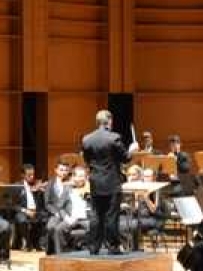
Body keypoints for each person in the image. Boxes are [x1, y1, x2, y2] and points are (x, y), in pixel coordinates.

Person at [81, 109, 138, 255]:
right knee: (111, 215)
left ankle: (94, 247)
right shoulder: (114, 138)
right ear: (109, 121)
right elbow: (125, 158)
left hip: (95, 182)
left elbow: (87, 160)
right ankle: (112, 247)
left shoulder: (87, 139)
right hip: (111, 183)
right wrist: (132, 149)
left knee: (96, 215)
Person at [46, 166, 92, 254]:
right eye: (78, 176)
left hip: (86, 218)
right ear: (73, 177)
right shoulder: (67, 189)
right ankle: (61, 255)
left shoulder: (91, 189)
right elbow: (60, 207)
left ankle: (92, 254)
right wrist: (67, 218)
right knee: (58, 230)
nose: (81, 178)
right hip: (71, 217)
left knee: (95, 228)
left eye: (83, 176)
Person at [11, 163, 47, 251]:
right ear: (22, 175)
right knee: (21, 219)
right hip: (23, 211)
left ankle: (38, 243)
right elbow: (13, 205)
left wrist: (42, 191)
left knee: (45, 217)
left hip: (35, 210)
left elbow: (42, 203)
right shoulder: (17, 186)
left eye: (33, 175)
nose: (32, 177)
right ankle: (28, 242)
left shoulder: (37, 185)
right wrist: (26, 211)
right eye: (29, 175)